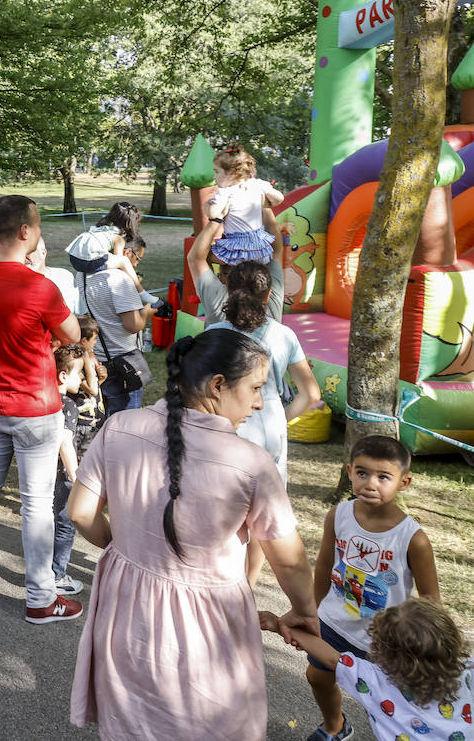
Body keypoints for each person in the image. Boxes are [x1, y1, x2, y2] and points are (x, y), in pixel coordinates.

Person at [67, 329, 320, 739]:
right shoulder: (251, 463)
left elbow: (80, 513)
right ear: (218, 385)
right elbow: (288, 559)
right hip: (208, 626)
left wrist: (126, 546)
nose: (259, 402)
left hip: (126, 604)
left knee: (133, 719)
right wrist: (305, 610)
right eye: (256, 388)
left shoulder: (119, 426)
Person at [0, 194, 82, 621]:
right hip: (34, 406)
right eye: (39, 225)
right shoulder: (39, 286)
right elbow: (69, 334)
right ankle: (40, 597)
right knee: (36, 502)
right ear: (26, 232)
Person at [301, 436, 441, 741]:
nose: (370, 483)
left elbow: (432, 604)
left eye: (383, 476)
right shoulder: (338, 514)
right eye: (362, 473)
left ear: (404, 482)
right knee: (317, 676)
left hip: (385, 642)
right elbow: (324, 565)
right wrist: (313, 611)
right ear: (349, 472)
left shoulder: (414, 539)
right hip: (332, 623)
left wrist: (424, 649)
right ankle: (336, 726)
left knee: (387, 708)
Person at [261, 597, 470, 741]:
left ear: (385, 655)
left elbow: (332, 659)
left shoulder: (377, 681)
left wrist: (278, 625)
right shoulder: (467, 668)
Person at [208, 260, 321, 490]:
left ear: (228, 292)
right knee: (271, 506)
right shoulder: (285, 335)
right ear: (268, 295)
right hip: (271, 423)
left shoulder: (213, 334)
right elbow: (311, 394)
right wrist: (281, 416)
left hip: (227, 425)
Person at [80, 237, 156, 416]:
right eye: (138, 258)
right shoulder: (118, 278)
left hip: (100, 356)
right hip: (125, 358)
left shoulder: (82, 274)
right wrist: (146, 312)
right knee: (128, 416)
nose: (136, 265)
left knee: (110, 412)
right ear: (128, 252)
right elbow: (133, 325)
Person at [190, 202, 287, 324]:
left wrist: (216, 220)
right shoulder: (272, 303)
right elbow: (277, 250)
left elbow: (196, 258)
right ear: (267, 294)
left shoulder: (217, 302)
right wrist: (264, 204)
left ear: (227, 286)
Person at [50, 343, 91, 597]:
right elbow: (66, 444)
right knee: (65, 523)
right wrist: (77, 477)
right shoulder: (68, 406)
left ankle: (46, 569)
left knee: (51, 520)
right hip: (65, 475)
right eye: (79, 374)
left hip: (45, 472)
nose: (83, 378)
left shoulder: (48, 400)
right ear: (63, 376)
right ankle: (57, 575)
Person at [209, 143, 285, 266]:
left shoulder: (226, 192)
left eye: (217, 172)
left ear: (232, 173)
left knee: (204, 255)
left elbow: (214, 213)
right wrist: (266, 200)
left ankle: (217, 283)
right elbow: (279, 198)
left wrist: (208, 205)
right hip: (261, 250)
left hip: (239, 250)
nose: (214, 176)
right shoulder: (258, 184)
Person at [64, 202, 142, 285]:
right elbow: (118, 263)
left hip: (74, 258)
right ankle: (141, 291)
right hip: (87, 262)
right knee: (124, 261)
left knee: (110, 257)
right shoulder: (118, 238)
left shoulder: (102, 229)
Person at [27, 235, 77, 313]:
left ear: (43, 253)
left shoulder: (64, 276)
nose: (23, 256)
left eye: (29, 251)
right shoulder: (10, 283)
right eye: (19, 252)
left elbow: (80, 313)